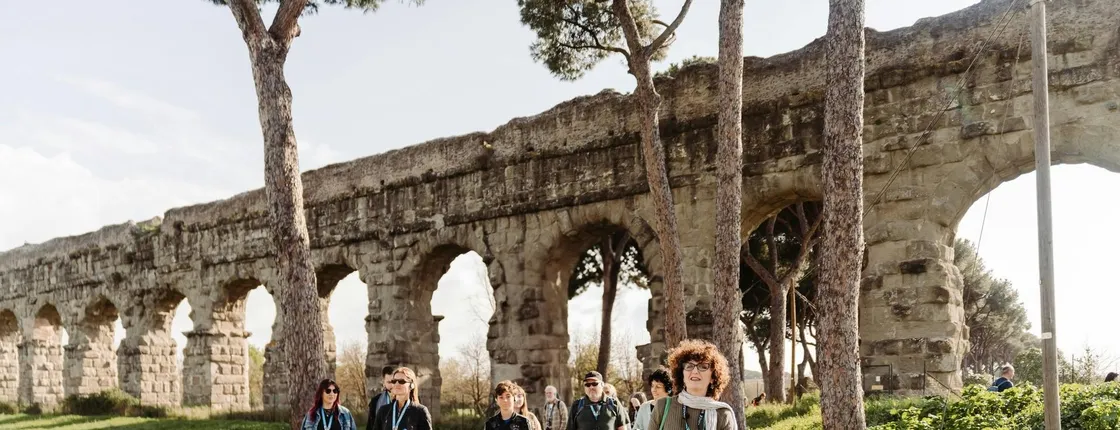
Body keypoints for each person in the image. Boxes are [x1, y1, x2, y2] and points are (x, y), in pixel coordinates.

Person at [647, 339, 738, 430]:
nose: (695, 371)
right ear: (682, 374)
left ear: (713, 377)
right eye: (689, 366)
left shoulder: (723, 414)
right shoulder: (662, 406)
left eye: (703, 367)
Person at [366, 365, 395, 430]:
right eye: (389, 382)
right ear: (383, 382)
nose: (392, 385)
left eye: (394, 381)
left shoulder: (407, 399)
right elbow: (370, 426)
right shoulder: (375, 401)